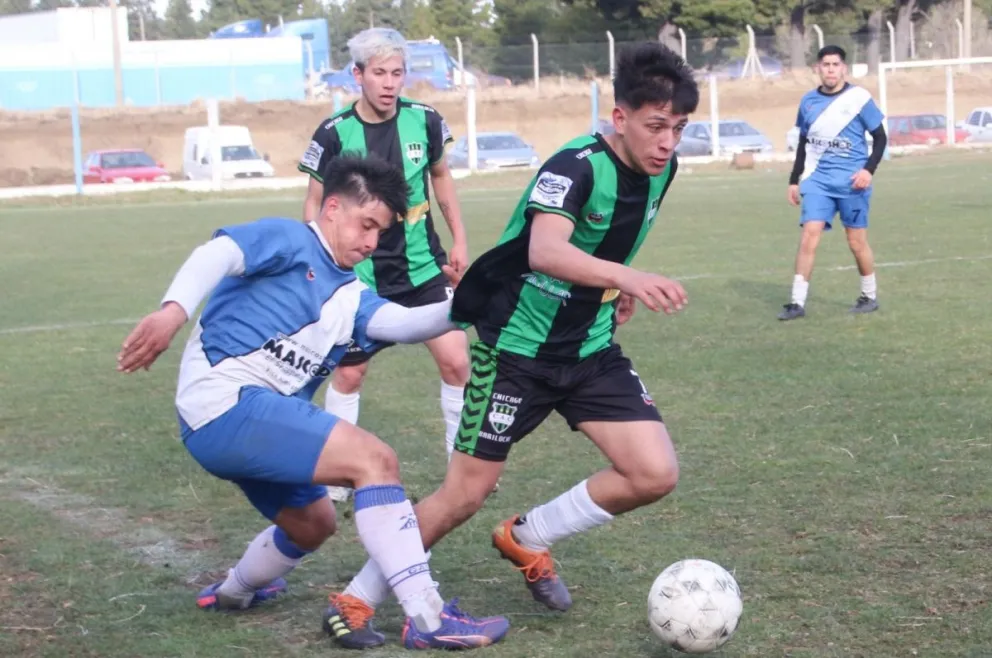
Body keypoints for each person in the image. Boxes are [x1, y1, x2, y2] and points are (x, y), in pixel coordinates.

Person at [321, 42, 698, 649]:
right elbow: (545, 249)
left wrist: (611, 285)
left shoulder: (663, 170)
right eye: (655, 127)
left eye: (679, 129)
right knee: (464, 493)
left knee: (653, 472)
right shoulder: (574, 166)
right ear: (619, 117)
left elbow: (610, 239)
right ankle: (355, 600)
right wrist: (626, 277)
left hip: (589, 349)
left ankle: (528, 536)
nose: (667, 143)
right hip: (515, 352)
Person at [115, 154, 508, 651]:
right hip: (226, 402)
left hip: (243, 423)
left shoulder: (351, 293)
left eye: (380, 233)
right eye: (366, 224)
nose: (370, 242)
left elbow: (405, 325)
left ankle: (234, 592)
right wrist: (172, 312)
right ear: (333, 207)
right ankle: (428, 618)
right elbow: (217, 253)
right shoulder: (293, 239)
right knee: (376, 461)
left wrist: (467, 303)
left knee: (314, 523)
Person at [298, 28, 470, 501]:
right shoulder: (334, 133)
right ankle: (335, 477)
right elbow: (314, 203)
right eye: (379, 73)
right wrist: (321, 264)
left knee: (457, 362)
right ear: (358, 76)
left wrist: (460, 241)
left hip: (422, 269)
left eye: (397, 73)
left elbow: (442, 181)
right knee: (350, 373)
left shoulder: (426, 121)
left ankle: (461, 467)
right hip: (359, 277)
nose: (390, 83)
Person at [779, 44, 888, 321]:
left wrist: (868, 170)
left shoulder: (859, 99)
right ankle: (796, 302)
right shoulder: (808, 102)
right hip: (818, 182)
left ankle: (869, 295)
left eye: (835, 65)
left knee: (856, 243)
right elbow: (804, 143)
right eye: (825, 65)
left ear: (844, 68)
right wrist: (794, 180)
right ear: (818, 68)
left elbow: (880, 138)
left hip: (853, 183)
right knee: (809, 235)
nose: (830, 69)